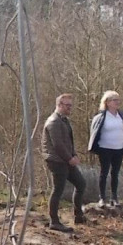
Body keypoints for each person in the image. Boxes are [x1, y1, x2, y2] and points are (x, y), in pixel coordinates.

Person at [42, 93, 86, 233]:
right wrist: (70, 159)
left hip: (66, 160)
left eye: (70, 106)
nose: (70, 108)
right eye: (67, 106)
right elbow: (58, 145)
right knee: (58, 190)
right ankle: (54, 221)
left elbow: (68, 141)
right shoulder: (53, 122)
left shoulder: (64, 121)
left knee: (81, 183)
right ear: (59, 105)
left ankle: (78, 215)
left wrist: (74, 155)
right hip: (57, 161)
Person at [88, 90, 123, 207]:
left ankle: (114, 197)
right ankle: (102, 198)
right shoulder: (101, 117)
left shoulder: (121, 116)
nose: (118, 102)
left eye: (118, 100)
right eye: (115, 100)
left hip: (118, 149)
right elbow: (94, 132)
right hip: (105, 148)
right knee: (104, 172)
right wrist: (93, 147)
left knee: (115, 173)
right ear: (107, 102)